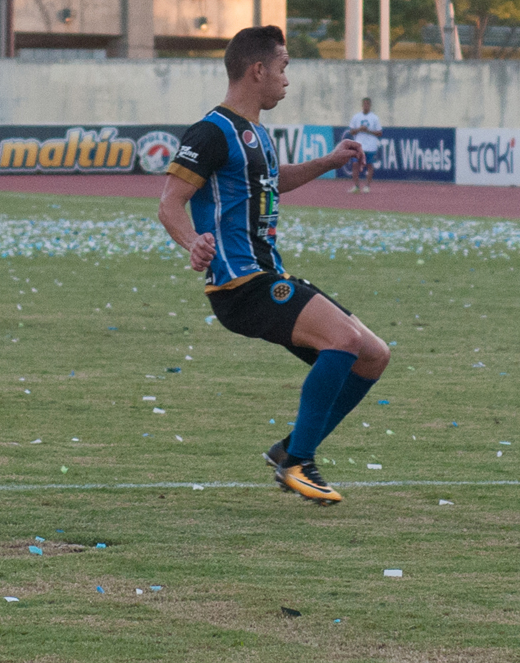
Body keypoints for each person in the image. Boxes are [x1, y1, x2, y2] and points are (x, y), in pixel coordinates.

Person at [158, 26, 391, 505]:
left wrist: (328, 161)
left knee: (372, 355)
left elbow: (273, 181)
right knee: (343, 340)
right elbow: (169, 204)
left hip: (270, 275)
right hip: (240, 285)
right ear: (257, 70)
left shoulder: (258, 134)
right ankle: (297, 461)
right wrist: (191, 244)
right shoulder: (211, 132)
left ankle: (290, 450)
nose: (287, 79)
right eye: (283, 67)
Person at [348, 97, 383, 193]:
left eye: (368, 104)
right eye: (364, 104)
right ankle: (356, 186)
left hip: (370, 146)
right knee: (355, 164)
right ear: (362, 105)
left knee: (369, 165)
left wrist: (368, 131)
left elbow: (379, 133)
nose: (366, 106)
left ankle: (367, 186)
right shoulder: (356, 117)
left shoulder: (374, 118)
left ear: (370, 105)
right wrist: (359, 129)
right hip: (359, 145)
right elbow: (351, 131)